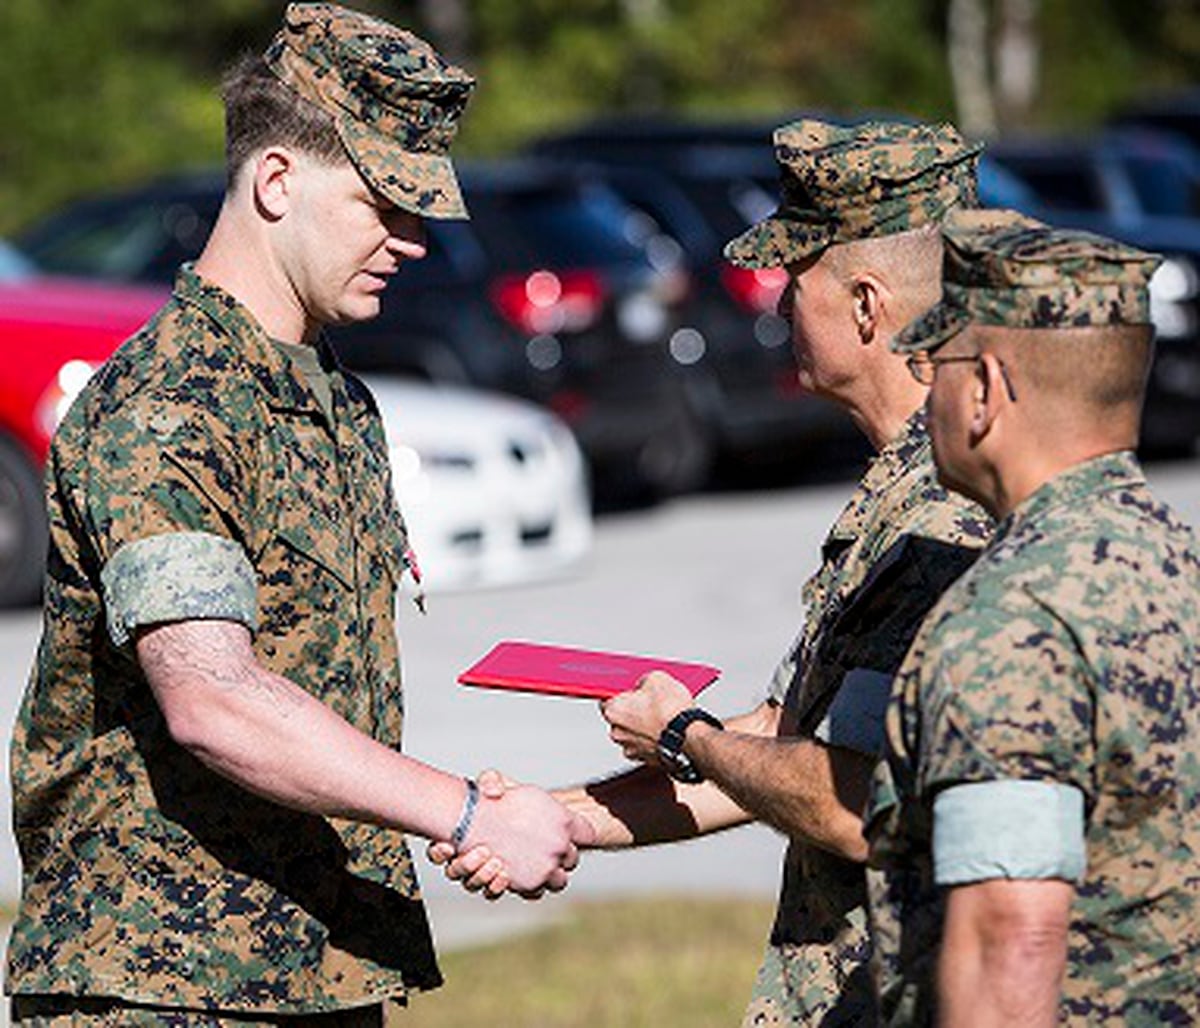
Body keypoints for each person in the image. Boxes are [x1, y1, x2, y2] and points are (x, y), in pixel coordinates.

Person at [5, 4, 588, 1025]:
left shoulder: (331, 396)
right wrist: (462, 812)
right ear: (276, 181)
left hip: (311, 957)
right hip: (160, 978)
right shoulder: (169, 405)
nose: (412, 242)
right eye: (383, 205)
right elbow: (211, 696)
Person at [436, 118, 993, 1025]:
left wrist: (684, 733)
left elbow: (850, 802)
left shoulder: (944, 512)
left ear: (866, 306)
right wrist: (564, 814)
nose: (777, 306)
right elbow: (785, 735)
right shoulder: (909, 484)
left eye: (795, 280)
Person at [865, 208, 1200, 1025]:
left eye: (936, 362)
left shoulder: (1011, 622)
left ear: (983, 389)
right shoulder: (1178, 562)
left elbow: (1010, 940)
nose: (927, 392)